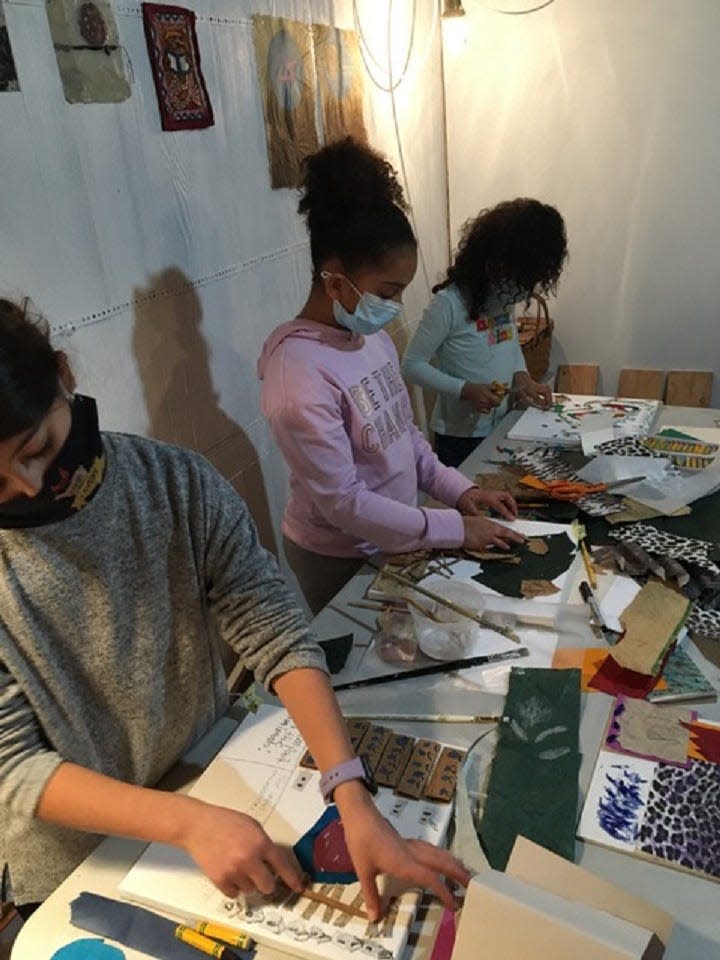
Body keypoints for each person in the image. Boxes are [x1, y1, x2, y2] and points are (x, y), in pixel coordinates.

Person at [0, 298, 470, 921]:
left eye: (39, 447)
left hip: (205, 773)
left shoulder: (174, 483)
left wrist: (349, 792)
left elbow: (272, 624)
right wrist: (187, 822)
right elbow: (14, 767)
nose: (29, 486)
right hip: (77, 856)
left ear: (65, 375)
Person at [258, 138, 524, 613]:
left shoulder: (370, 338)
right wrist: (451, 529)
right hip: (338, 555)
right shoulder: (295, 375)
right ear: (335, 279)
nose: (397, 306)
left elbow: (408, 440)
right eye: (389, 290)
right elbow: (344, 502)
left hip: (395, 535)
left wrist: (460, 491)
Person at [402, 198, 568, 467]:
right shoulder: (449, 303)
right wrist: (465, 389)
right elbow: (411, 366)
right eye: (518, 278)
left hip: (501, 422)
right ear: (492, 263)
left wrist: (522, 377)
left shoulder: (503, 296)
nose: (522, 290)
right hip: (459, 435)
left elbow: (509, 344)